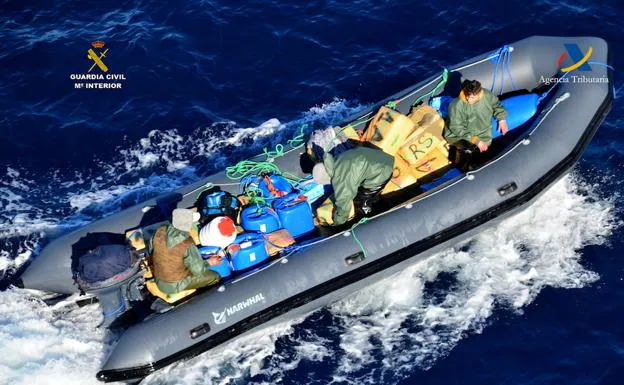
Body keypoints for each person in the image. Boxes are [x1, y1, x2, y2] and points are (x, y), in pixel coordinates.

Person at [312, 146, 394, 226]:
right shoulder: (337, 160)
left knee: (361, 203)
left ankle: (370, 220)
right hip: (381, 158)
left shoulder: (341, 178)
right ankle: (375, 199)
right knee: (360, 193)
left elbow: (344, 207)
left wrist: (338, 222)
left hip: (381, 172)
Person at [150, 208, 221, 295]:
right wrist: (210, 262)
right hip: (173, 285)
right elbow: (198, 270)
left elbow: (152, 250)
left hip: (159, 278)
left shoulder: (160, 231)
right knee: (215, 277)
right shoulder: (187, 243)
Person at [444, 79, 509, 153]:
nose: (468, 99)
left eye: (472, 97)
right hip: (460, 135)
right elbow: (456, 128)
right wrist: (476, 141)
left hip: (483, 132)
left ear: (479, 94)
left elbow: (497, 105)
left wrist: (502, 119)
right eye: (467, 95)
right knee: (468, 152)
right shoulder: (456, 105)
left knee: (490, 150)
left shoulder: (487, 95)